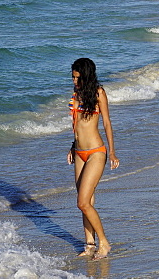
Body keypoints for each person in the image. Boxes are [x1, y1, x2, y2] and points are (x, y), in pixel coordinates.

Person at [68, 57, 119, 259]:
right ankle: (90, 244)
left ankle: (104, 243)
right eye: (73, 77)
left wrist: (112, 152)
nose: (74, 81)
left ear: (86, 76)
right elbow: (77, 125)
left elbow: (106, 122)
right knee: (86, 200)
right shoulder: (76, 94)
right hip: (79, 152)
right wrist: (72, 147)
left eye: (78, 78)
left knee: (82, 202)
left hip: (96, 152)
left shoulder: (99, 93)